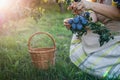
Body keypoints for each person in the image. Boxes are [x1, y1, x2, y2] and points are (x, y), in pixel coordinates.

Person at [64, 0, 120, 79]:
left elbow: (118, 14)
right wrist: (79, 21)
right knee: (82, 33)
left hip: (118, 37)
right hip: (108, 35)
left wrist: (90, 5)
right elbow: (92, 18)